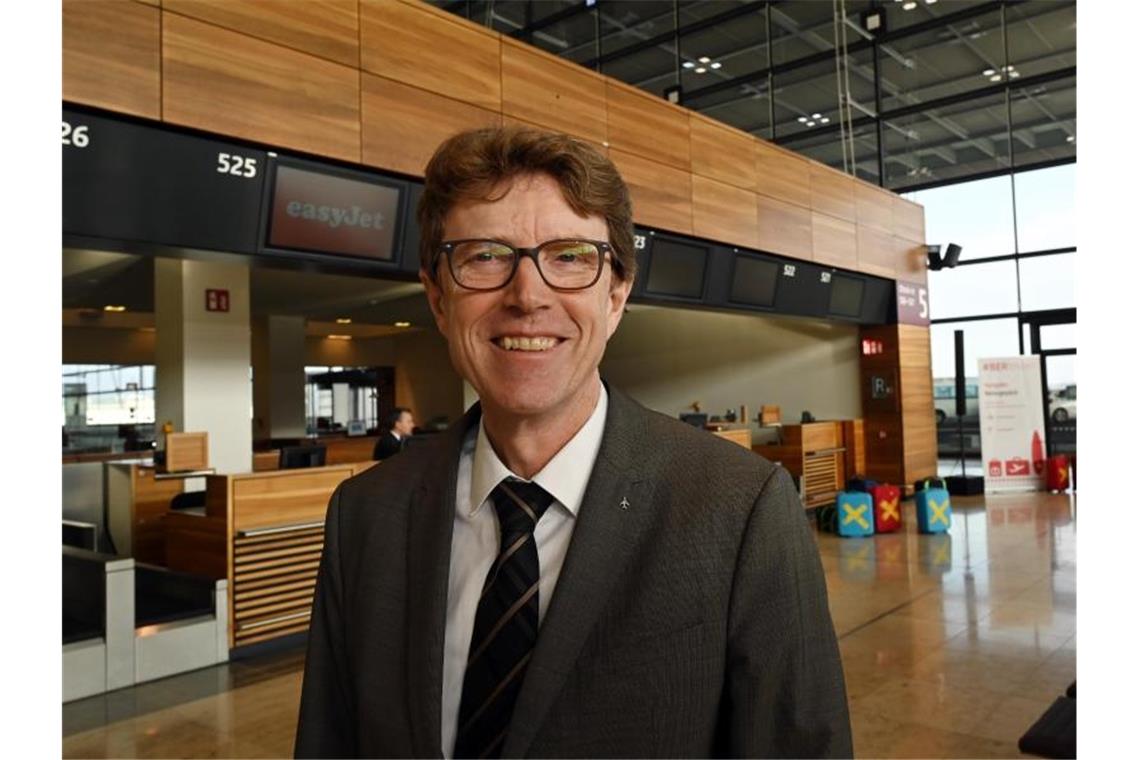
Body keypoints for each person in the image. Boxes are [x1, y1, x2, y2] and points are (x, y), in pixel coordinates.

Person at [295, 126, 852, 758]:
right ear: (438, 299)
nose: (528, 296)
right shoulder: (366, 515)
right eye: (484, 255)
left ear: (616, 294)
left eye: (569, 256)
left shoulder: (741, 509)